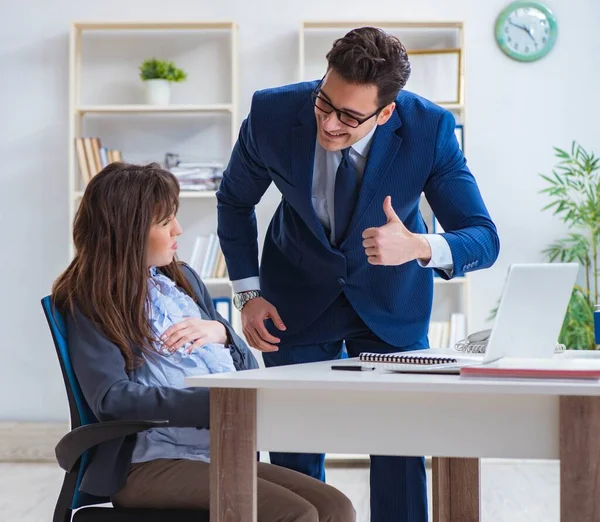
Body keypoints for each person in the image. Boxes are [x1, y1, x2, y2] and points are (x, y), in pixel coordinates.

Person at [217, 27, 500, 522]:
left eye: (349, 116)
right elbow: (235, 201)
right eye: (324, 104)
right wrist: (247, 294)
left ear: (386, 112)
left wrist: (418, 246)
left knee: (399, 446)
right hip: (294, 300)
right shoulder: (272, 113)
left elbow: (482, 236)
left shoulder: (429, 129)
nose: (329, 125)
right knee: (295, 452)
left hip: (391, 303)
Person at [51, 162, 355, 522]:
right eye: (165, 223)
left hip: (216, 453)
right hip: (147, 464)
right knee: (295, 513)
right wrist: (217, 406)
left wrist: (222, 333)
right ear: (126, 231)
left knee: (336, 507)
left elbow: (245, 368)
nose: (178, 230)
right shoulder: (92, 300)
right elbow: (111, 399)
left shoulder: (183, 281)